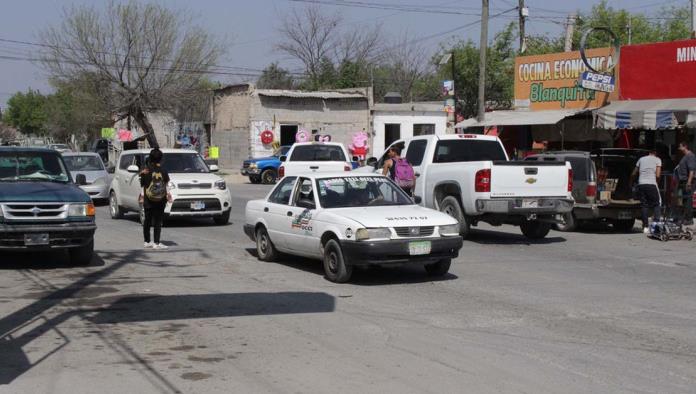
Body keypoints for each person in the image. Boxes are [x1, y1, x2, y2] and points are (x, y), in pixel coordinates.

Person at [139, 148, 172, 249]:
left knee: (147, 220)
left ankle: (147, 241)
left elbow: (142, 185)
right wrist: (169, 195)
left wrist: (142, 197)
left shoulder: (145, 171)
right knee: (158, 221)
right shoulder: (163, 171)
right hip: (160, 199)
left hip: (148, 200)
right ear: (161, 159)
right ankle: (156, 243)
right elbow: (166, 185)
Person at [632, 150, 662, 233]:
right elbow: (658, 175)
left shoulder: (641, 159)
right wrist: (657, 183)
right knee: (656, 204)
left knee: (644, 205)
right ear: (655, 154)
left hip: (641, 184)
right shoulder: (657, 160)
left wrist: (630, 181)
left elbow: (634, 172)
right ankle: (656, 225)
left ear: (649, 153)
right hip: (651, 183)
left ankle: (645, 227)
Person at [676, 141, 696, 225]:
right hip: (682, 181)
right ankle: (684, 218)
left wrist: (689, 182)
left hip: (687, 181)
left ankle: (689, 219)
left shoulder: (690, 156)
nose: (679, 149)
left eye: (680, 147)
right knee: (683, 200)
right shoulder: (685, 156)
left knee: (688, 200)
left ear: (685, 147)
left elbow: (691, 170)